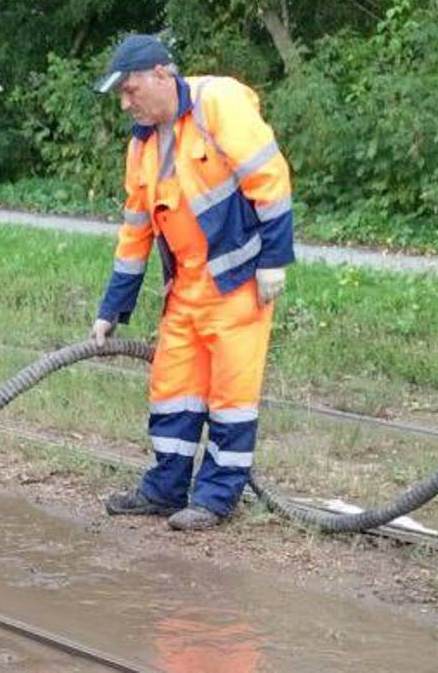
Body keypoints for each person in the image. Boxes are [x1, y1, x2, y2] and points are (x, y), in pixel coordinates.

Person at [91, 34, 294, 531]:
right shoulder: (141, 146)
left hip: (238, 283)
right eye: (121, 94)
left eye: (132, 89)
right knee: (173, 390)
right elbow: (135, 231)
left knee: (230, 397)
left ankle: (214, 500)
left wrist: (274, 259)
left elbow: (270, 177)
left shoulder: (217, 103)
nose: (126, 102)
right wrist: (112, 309)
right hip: (185, 289)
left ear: (163, 74)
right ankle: (165, 490)